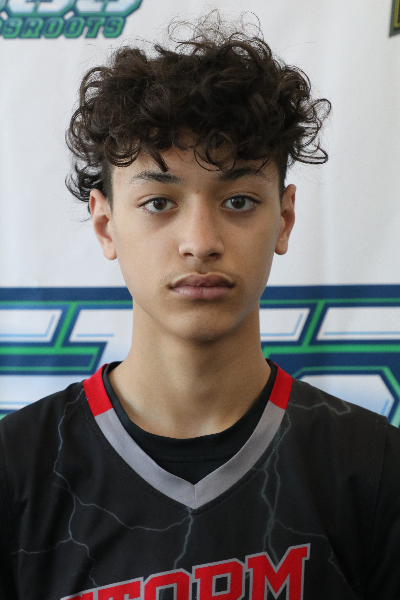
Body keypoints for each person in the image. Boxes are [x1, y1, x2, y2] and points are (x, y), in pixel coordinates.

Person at [1, 13, 399, 600]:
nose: (200, 241)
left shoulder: (375, 470)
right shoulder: (15, 470)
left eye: (238, 200)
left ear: (284, 219)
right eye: (159, 202)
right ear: (105, 224)